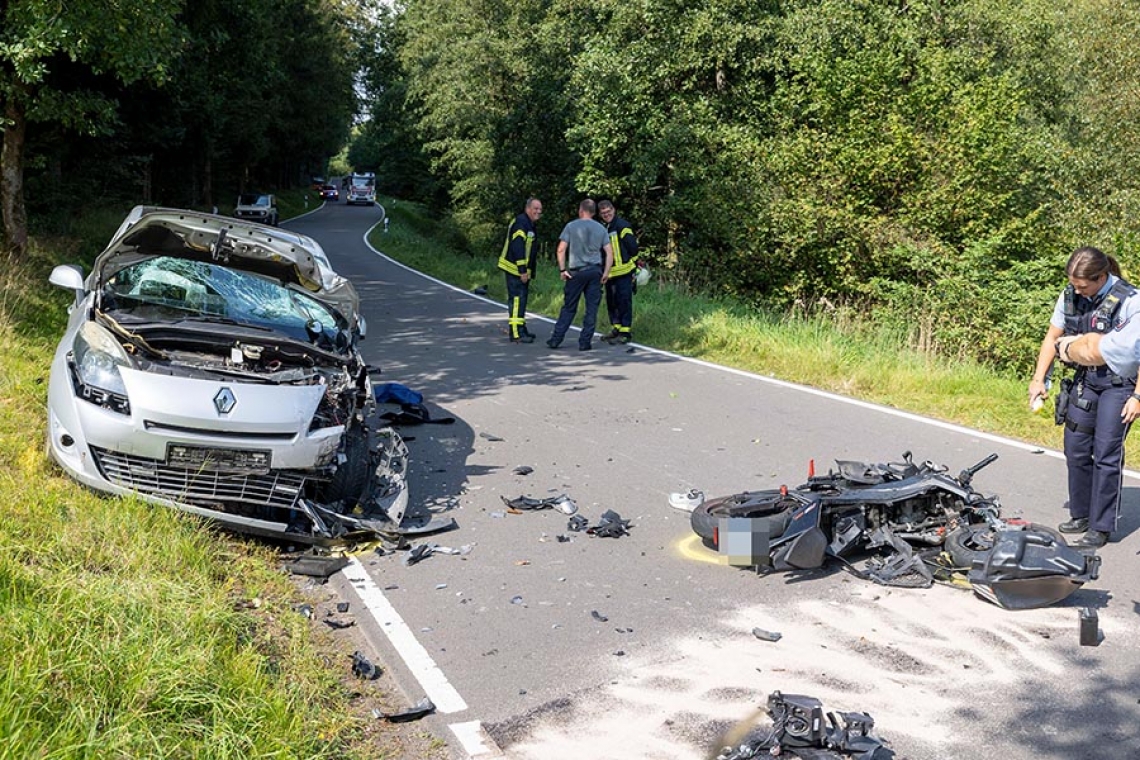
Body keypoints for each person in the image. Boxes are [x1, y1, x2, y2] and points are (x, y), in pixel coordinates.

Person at [1033, 247, 1140, 548]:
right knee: (1076, 447)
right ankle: (1081, 514)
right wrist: (1040, 379)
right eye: (1074, 284)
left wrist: (1138, 396)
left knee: (1106, 451)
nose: (1077, 290)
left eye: (1083, 286)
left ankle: (1101, 526)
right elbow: (1052, 338)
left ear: (1101, 277)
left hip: (1120, 384)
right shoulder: (1070, 295)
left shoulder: (1132, 301)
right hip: (1086, 380)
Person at [546, 199, 614, 351]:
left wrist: (563, 270)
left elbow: (561, 249)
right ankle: (585, 342)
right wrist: (606, 272)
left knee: (569, 307)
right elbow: (610, 252)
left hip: (577, 272)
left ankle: (556, 339)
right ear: (594, 212)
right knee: (591, 308)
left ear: (580, 210)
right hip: (595, 271)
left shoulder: (571, 226)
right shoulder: (601, 229)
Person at [497, 198, 543, 343]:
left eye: (540, 209)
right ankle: (516, 333)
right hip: (515, 269)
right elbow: (518, 248)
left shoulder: (528, 223)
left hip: (520, 269)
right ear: (527, 208)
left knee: (521, 300)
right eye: (535, 208)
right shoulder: (521, 224)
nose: (538, 212)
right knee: (517, 300)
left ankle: (521, 328)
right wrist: (522, 270)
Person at [597, 200, 639, 344]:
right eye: (603, 213)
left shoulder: (622, 225)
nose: (606, 214)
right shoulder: (605, 228)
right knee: (612, 301)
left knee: (624, 301)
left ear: (613, 210)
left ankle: (625, 331)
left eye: (608, 211)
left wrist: (634, 267)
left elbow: (632, 246)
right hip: (610, 273)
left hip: (624, 272)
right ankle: (616, 328)